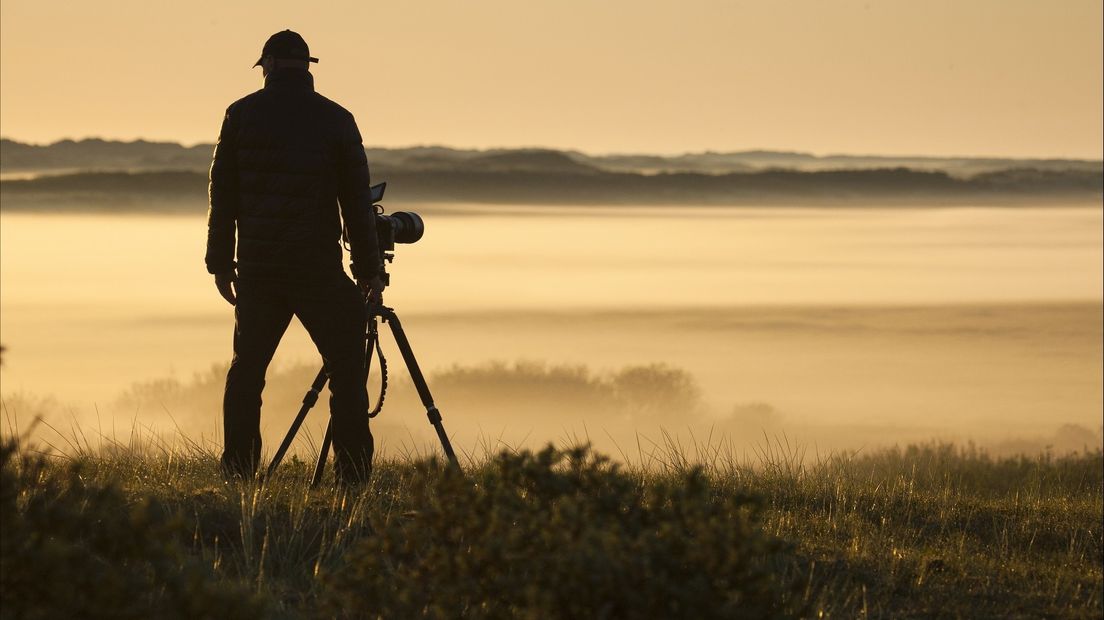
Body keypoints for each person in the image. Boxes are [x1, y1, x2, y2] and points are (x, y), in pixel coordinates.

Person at [205, 30, 383, 485]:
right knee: (347, 373)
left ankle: (239, 476)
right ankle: (353, 479)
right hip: (318, 269)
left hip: (260, 271)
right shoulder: (337, 120)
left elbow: (222, 195)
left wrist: (220, 264)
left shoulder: (240, 115)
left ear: (265, 67)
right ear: (307, 68)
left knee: (247, 374)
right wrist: (369, 271)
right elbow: (356, 205)